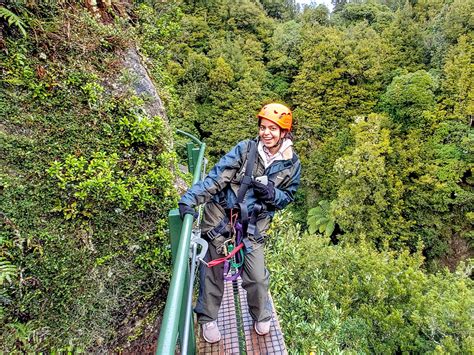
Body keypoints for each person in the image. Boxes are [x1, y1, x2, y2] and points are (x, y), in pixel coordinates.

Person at [178, 103, 301, 343]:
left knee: (256, 276)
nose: (266, 133)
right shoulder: (245, 150)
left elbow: (288, 197)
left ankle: (260, 313)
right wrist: (190, 199)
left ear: (284, 133)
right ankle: (208, 317)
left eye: (273, 129)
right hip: (222, 216)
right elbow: (217, 177)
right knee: (211, 268)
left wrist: (271, 194)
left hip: (254, 224)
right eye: (263, 127)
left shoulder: (291, 164)